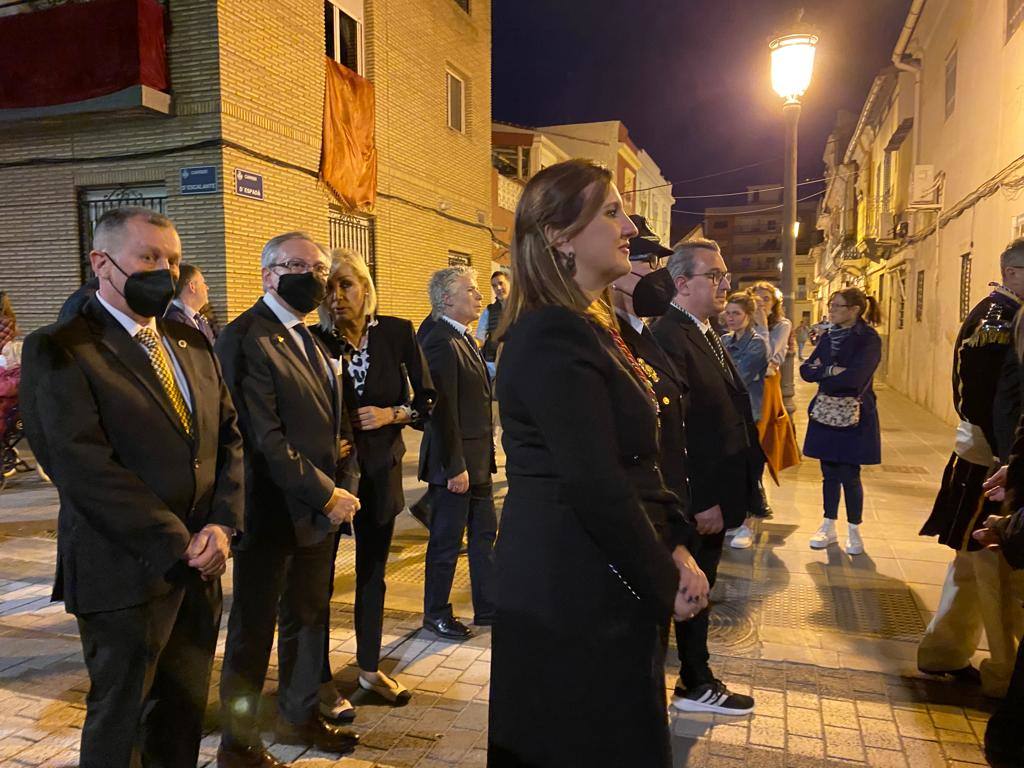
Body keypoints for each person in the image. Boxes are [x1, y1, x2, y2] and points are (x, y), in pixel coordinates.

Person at [489, 158, 708, 768]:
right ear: (560, 235)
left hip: (603, 573)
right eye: (611, 212)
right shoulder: (550, 333)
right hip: (572, 588)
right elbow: (595, 481)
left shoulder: (599, 326)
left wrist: (678, 543)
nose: (630, 228)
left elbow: (643, 460)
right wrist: (663, 580)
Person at [19, 207, 245, 768]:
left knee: (182, 712)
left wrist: (221, 524)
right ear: (102, 262)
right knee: (120, 718)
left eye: (171, 260)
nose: (164, 271)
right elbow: (81, 465)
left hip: (200, 567)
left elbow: (229, 438)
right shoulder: (61, 347)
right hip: (122, 571)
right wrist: (179, 541)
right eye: (148, 257)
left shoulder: (188, 342)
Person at [216, 232, 361, 767]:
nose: (313, 277)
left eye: (320, 268)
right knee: (253, 631)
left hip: (318, 512)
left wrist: (344, 476)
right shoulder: (245, 338)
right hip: (271, 512)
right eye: (297, 265)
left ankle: (299, 716)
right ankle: (239, 742)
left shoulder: (312, 337)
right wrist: (327, 494)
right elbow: (262, 438)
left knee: (308, 617)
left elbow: (330, 420)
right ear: (267, 273)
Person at [312, 248, 435, 706]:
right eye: (330, 287)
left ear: (366, 288)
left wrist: (391, 413)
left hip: (380, 472)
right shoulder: (315, 339)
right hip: (331, 478)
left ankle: (368, 668)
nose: (337, 295)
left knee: (372, 575)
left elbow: (427, 400)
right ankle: (318, 678)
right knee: (318, 579)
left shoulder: (398, 333)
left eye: (346, 284)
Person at [652, 238, 760, 716]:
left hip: (719, 491)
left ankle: (694, 679)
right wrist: (700, 499)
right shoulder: (671, 336)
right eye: (713, 276)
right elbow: (678, 431)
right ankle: (694, 682)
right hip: (699, 499)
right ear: (682, 283)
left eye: (724, 275)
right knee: (689, 591)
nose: (724, 284)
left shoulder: (703, 330)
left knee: (700, 589)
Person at [918, 241, 1024, 696]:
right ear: (1012, 272)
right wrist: (1008, 461)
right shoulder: (999, 319)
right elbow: (988, 399)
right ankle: (1004, 669)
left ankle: (945, 652)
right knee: (991, 567)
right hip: (992, 459)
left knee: (975, 566)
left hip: (993, 457)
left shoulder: (1000, 313)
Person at [418, 266, 498, 639]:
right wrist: (454, 466)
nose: (479, 297)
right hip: (456, 465)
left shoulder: (464, 338)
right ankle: (436, 613)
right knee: (447, 543)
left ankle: (488, 605)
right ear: (446, 298)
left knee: (483, 536)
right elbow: (442, 409)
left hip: (477, 462)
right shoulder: (440, 340)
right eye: (471, 290)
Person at [801, 287, 882, 556]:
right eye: (831, 305)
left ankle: (854, 530)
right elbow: (806, 370)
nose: (831, 310)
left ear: (854, 310)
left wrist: (824, 374)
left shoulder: (868, 338)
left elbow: (855, 378)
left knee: (850, 473)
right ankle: (827, 525)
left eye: (837, 306)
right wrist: (829, 371)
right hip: (826, 411)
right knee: (828, 473)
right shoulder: (827, 336)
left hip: (854, 413)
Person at [720, 292, 770, 550]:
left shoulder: (757, 344)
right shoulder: (723, 340)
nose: (730, 318)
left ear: (748, 316)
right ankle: (737, 518)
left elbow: (738, 376)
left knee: (751, 469)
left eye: (736, 313)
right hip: (727, 414)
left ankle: (749, 523)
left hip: (750, 414)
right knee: (733, 468)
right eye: (728, 313)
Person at [165, 262, 217, 345]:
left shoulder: (200, 320)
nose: (207, 287)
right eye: (203, 283)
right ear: (192, 286)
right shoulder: (174, 320)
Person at [475, 268, 510, 377]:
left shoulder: (523, 308)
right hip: (493, 364)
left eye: (501, 283)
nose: (498, 288)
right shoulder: (489, 311)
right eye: (494, 286)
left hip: (517, 360)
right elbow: (480, 338)